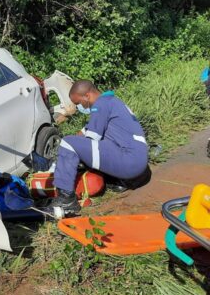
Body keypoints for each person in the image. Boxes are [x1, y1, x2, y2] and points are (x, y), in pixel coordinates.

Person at [50, 80, 149, 214]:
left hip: (129, 162)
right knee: (81, 142)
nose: (79, 107)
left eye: (78, 103)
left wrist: (65, 155)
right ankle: (119, 180)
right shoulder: (111, 102)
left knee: (67, 142)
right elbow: (86, 132)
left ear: (87, 96)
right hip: (138, 163)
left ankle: (66, 200)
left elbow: (91, 138)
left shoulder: (100, 105)